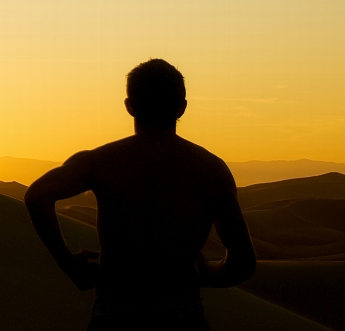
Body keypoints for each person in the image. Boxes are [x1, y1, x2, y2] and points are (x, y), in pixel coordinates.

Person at [25, 59, 256, 330]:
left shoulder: (100, 162)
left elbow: (38, 194)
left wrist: (69, 263)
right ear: (181, 107)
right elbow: (243, 262)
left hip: (115, 316)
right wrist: (207, 274)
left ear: (129, 106)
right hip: (183, 316)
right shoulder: (211, 169)